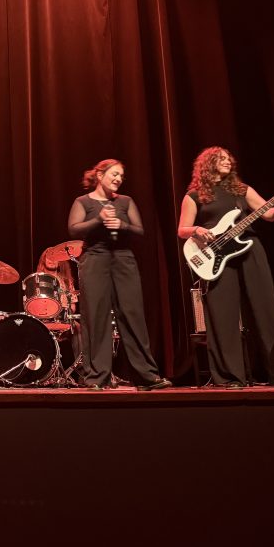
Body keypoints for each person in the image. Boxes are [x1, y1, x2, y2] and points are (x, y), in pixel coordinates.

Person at [177, 146, 274, 388]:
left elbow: (270, 214)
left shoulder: (241, 190)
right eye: (221, 158)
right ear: (208, 163)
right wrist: (197, 230)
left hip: (249, 250)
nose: (227, 161)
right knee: (222, 314)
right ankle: (229, 377)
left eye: (228, 158)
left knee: (266, 308)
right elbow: (182, 229)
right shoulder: (194, 196)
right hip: (214, 255)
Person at [67, 159, 171, 391]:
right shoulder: (83, 201)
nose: (118, 179)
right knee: (96, 317)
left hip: (123, 260)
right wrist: (98, 220)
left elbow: (140, 230)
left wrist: (122, 225)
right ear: (100, 175)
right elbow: (74, 228)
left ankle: (146, 376)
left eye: (122, 176)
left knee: (132, 314)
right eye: (114, 174)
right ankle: (96, 377)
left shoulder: (126, 201)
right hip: (94, 259)